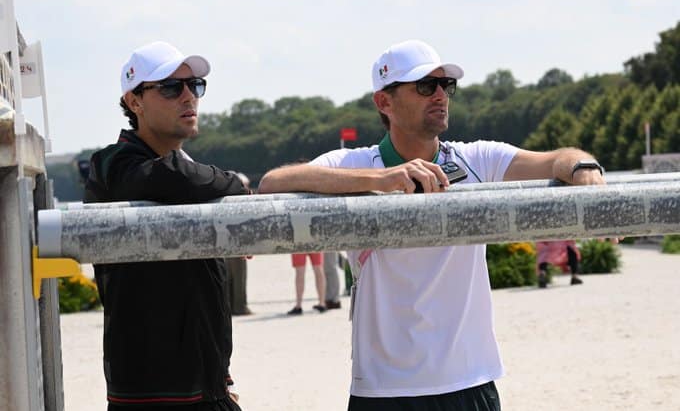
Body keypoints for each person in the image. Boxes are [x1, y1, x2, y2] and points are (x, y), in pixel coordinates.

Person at [258, 39, 607, 410]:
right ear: (384, 102)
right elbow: (273, 183)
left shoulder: (478, 158)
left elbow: (559, 157)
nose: (440, 95)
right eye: (425, 86)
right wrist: (379, 180)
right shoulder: (355, 163)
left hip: (468, 379)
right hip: (382, 389)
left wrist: (584, 169)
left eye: (446, 85)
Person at [85, 41, 247, 411]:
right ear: (134, 101)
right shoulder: (114, 164)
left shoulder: (184, 167)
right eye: (171, 87)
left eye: (196, 86)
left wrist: (218, 379)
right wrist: (236, 182)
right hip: (151, 394)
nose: (188, 96)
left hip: (205, 385)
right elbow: (173, 178)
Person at [226, 173, 253, 316]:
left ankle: (231, 306)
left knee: (230, 277)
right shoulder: (241, 202)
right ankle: (240, 307)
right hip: (238, 245)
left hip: (227, 246)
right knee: (239, 278)